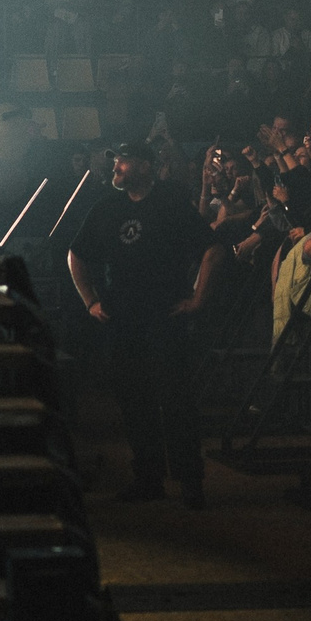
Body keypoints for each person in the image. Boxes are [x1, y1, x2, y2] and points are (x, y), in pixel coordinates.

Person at [67, 140, 226, 508]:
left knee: (175, 399)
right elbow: (77, 254)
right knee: (134, 400)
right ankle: (148, 478)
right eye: (116, 162)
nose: (115, 168)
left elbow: (213, 249)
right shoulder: (106, 208)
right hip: (123, 320)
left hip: (164, 317)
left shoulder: (170, 205)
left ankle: (190, 481)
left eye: (122, 162)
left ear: (144, 166)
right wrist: (90, 301)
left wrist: (199, 298)